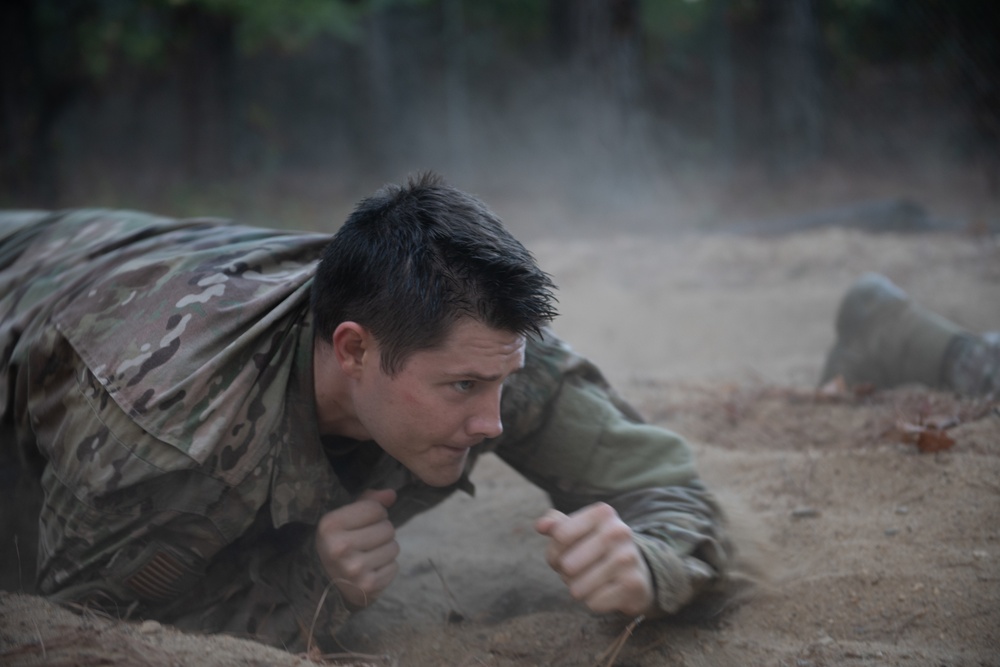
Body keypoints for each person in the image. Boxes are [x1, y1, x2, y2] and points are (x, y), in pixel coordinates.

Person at [0, 173, 729, 649]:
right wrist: (305, 583)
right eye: (461, 389)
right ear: (351, 349)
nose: (494, 421)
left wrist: (649, 561)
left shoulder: (480, 345)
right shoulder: (164, 431)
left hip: (106, 256)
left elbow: (665, 485)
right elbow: (80, 625)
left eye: (500, 381)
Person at [821, 272, 999, 396]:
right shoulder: (899, 314)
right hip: (975, 354)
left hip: (969, 367)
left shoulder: (863, 343)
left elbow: (830, 388)